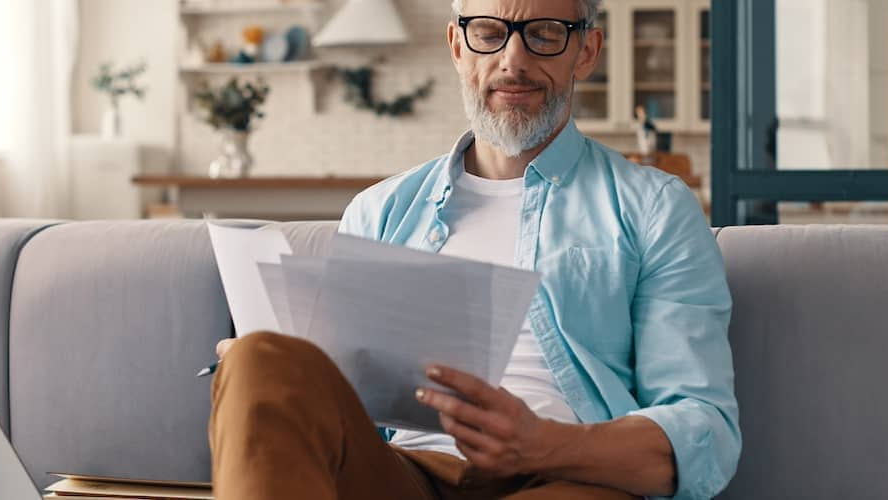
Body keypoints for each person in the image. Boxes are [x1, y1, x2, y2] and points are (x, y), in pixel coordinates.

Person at [208, 0, 740, 498]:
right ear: (459, 47)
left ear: (587, 52)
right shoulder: (380, 210)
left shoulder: (653, 207)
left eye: (545, 35)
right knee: (258, 358)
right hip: (406, 475)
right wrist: (283, 376)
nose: (514, 61)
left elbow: (705, 430)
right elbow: (352, 411)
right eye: (489, 33)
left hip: (561, 475)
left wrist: (542, 443)